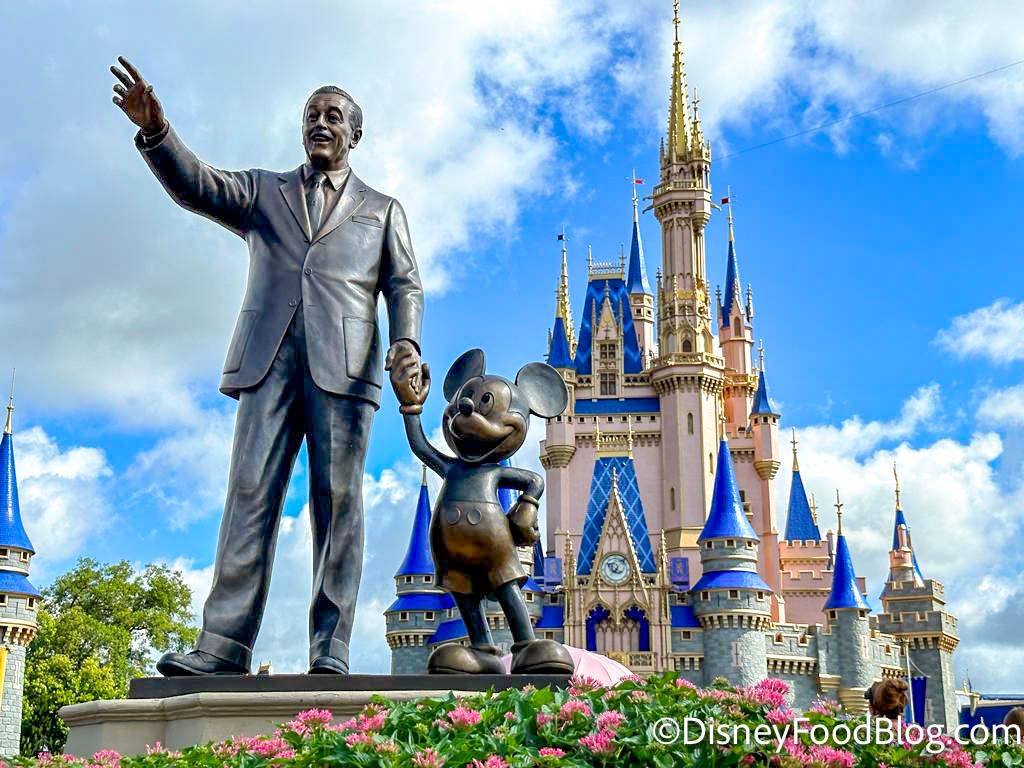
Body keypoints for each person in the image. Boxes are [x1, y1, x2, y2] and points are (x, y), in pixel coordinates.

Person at [111, 56, 423, 676]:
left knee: (339, 503)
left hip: (347, 365)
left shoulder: (383, 209)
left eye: (334, 116)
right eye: (311, 115)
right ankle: (222, 646)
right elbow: (196, 184)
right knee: (249, 493)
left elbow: (405, 284)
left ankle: (330, 650)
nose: (320, 124)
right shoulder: (263, 192)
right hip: (268, 363)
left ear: (355, 133)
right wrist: (156, 133)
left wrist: (407, 344)